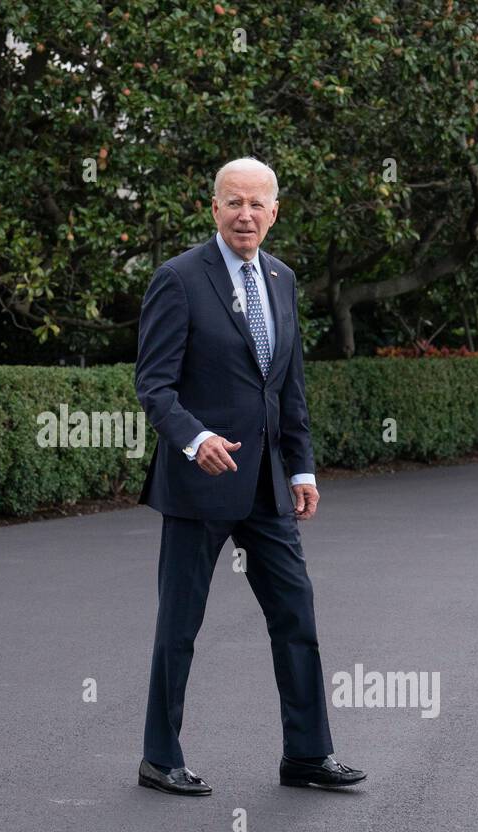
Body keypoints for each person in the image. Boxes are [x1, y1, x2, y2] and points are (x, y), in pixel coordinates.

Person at [133, 157, 366, 796]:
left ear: (274, 211)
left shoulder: (283, 280)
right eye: (233, 202)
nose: (245, 214)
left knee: (296, 613)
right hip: (199, 486)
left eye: (257, 204)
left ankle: (308, 756)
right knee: (180, 624)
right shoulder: (179, 279)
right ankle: (160, 756)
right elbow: (152, 385)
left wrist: (303, 468)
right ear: (214, 208)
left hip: (267, 486)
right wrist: (195, 438)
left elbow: (287, 387)